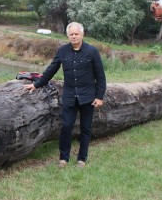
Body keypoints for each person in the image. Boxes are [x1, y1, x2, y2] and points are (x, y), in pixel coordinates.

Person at [23, 22, 106, 168]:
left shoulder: (92, 51)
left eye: (76, 34)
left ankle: (82, 159)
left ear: (82, 34)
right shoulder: (62, 51)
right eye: (71, 34)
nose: (74, 37)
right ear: (68, 36)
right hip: (69, 96)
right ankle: (63, 158)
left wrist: (99, 97)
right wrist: (36, 84)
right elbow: (51, 70)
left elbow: (101, 76)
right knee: (66, 126)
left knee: (85, 128)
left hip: (88, 96)